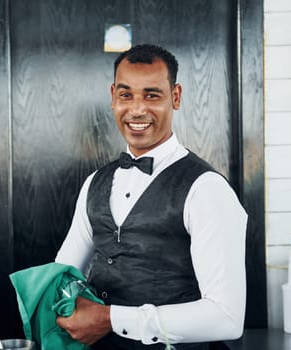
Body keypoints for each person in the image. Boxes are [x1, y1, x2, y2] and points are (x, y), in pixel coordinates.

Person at [54, 44, 247, 350]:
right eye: (126, 94)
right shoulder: (94, 183)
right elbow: (61, 276)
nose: (137, 109)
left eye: (152, 95)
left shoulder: (207, 189)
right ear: (113, 96)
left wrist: (110, 318)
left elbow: (227, 317)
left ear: (176, 97)